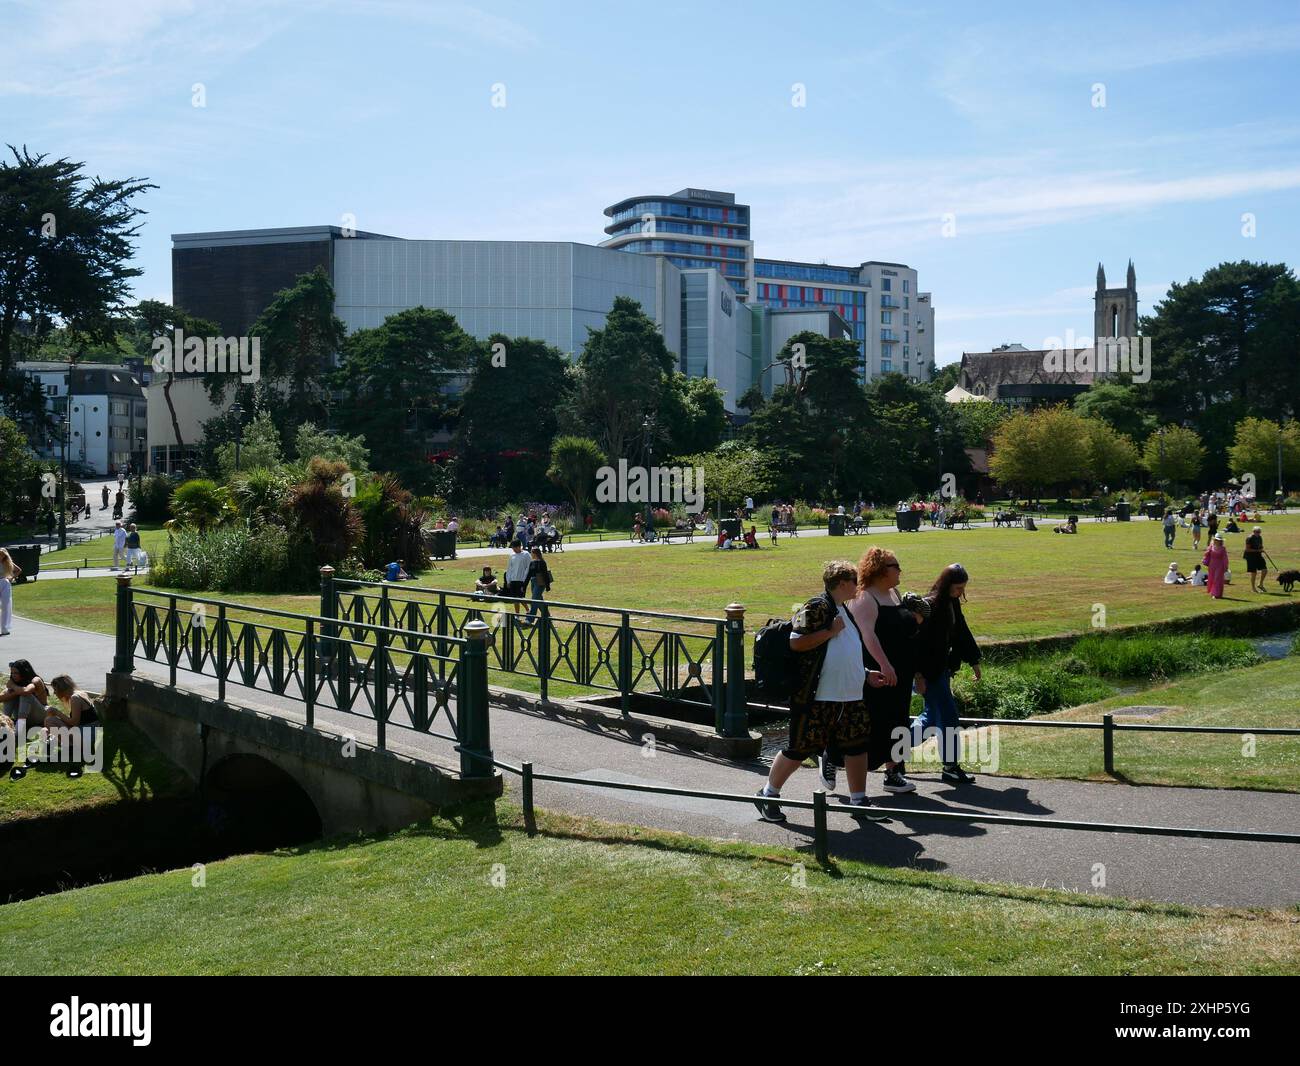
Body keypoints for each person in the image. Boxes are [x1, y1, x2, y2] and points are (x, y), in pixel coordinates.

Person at [754, 560, 888, 824]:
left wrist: (864, 674)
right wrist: (829, 631)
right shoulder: (817, 606)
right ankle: (768, 794)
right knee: (799, 749)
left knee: (857, 747)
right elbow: (796, 642)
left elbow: (844, 652)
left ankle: (859, 801)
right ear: (841, 583)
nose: (858, 586)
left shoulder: (844, 609)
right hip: (818, 698)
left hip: (849, 696)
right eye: (854, 580)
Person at [848, 546, 921, 795]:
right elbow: (868, 636)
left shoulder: (895, 593)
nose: (900, 570)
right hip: (878, 673)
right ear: (880, 570)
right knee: (874, 722)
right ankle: (831, 757)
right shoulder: (865, 597)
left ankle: (894, 773)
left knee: (900, 720)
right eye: (895, 566)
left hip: (902, 670)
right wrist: (884, 665)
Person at [911, 563, 982, 784]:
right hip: (930, 674)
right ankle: (950, 767)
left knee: (931, 720)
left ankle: (891, 749)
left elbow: (961, 632)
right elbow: (916, 643)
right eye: (958, 588)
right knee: (949, 718)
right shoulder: (930, 606)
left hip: (941, 671)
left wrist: (974, 661)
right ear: (947, 585)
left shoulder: (951, 603)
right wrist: (918, 676)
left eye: (963, 588)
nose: (960, 593)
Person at [43, 674, 100, 778]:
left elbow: (74, 722)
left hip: (86, 737)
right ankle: (70, 746)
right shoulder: (81, 693)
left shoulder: (75, 698)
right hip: (91, 733)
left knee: (50, 721)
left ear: (62, 688)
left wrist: (57, 712)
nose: (54, 693)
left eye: (55, 690)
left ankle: (71, 749)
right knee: (49, 726)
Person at [1, 659, 50, 729]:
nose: (13, 675)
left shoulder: (35, 680)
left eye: (16, 673)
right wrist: (12, 691)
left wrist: (13, 686)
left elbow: (26, 691)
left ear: (23, 672)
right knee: (9, 696)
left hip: (40, 716)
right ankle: (4, 726)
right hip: (25, 717)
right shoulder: (15, 682)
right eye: (12, 673)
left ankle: (19, 731)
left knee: (26, 696)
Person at [524, 547, 552, 622]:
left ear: (535, 553)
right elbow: (529, 575)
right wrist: (525, 585)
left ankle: (530, 619)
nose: (531, 554)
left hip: (540, 583)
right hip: (533, 582)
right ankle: (547, 615)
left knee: (534, 600)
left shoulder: (542, 562)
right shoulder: (532, 562)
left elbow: (545, 574)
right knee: (538, 600)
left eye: (531, 553)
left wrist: (547, 585)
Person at [503, 539, 532, 614]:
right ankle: (517, 614)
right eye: (512, 548)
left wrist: (525, 580)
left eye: (514, 547)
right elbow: (509, 569)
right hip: (513, 580)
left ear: (519, 546)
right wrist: (508, 580)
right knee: (515, 599)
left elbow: (528, 568)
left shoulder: (526, 554)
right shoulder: (512, 555)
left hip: (522, 580)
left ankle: (528, 610)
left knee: (520, 598)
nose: (513, 549)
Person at [1202, 533, 1228, 598]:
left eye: (1219, 540)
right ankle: (1213, 592)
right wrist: (1205, 559)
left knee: (1217, 579)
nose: (1217, 541)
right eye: (1216, 540)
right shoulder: (1211, 546)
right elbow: (1206, 555)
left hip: (1220, 565)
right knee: (1212, 578)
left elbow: (1225, 558)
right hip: (1212, 565)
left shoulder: (1223, 548)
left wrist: (1226, 566)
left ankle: (1216, 594)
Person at [0, 548, 19, 636]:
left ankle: (5, 628)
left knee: (6, 606)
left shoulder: (7, 562)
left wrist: (11, 578)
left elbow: (18, 570)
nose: (1, 556)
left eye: (2, 554)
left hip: (5, 583)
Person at [1244, 526, 1267, 593]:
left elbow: (1260, 546)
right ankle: (1253, 588)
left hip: (1258, 555)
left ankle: (1260, 584)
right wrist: (1258, 550)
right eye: (1256, 532)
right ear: (1253, 532)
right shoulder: (1249, 538)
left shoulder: (1260, 537)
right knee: (1254, 572)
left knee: (1265, 570)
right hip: (1250, 556)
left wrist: (1261, 549)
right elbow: (1247, 549)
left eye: (1259, 532)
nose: (1258, 533)